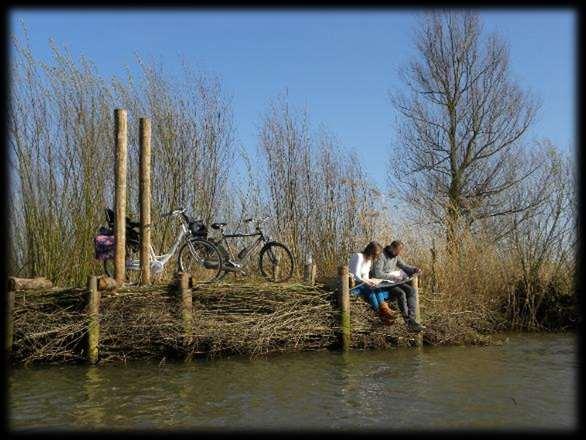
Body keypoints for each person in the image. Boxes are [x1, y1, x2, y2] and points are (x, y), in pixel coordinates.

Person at [371, 240, 425, 333]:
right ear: (392, 248)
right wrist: (392, 276)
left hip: (393, 282)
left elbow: (404, 266)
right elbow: (377, 274)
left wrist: (414, 269)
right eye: (398, 250)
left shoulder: (396, 256)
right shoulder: (382, 256)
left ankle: (412, 320)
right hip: (383, 284)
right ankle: (408, 322)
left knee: (411, 291)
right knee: (401, 293)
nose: (399, 253)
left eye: (400, 251)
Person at [348, 241, 398, 325]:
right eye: (375, 254)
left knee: (377, 288)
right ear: (370, 251)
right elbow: (355, 276)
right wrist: (368, 283)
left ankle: (385, 309)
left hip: (362, 284)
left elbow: (365, 277)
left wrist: (372, 282)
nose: (375, 257)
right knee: (371, 292)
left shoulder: (368, 261)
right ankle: (380, 313)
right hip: (354, 285)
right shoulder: (358, 256)